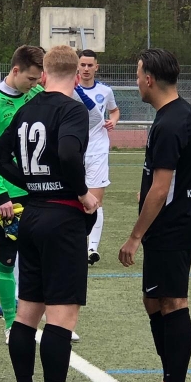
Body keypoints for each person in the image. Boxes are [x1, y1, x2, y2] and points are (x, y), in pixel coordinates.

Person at [0, 44, 102, 382]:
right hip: (62, 219)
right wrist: (81, 193)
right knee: (61, 316)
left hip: (33, 214)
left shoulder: (26, 108)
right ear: (77, 75)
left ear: (43, 75)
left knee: (26, 313)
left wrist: (32, 184)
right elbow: (69, 154)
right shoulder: (73, 109)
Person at [118, 48, 191, 382]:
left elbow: (161, 188)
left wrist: (134, 236)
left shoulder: (170, 122)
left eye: (138, 74)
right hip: (172, 222)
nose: (137, 81)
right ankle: (170, 381)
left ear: (150, 79)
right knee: (153, 300)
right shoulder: (177, 113)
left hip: (171, 225)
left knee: (172, 301)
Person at [0, 46, 44, 343]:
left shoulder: (37, 95)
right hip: (10, 195)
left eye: (38, 79)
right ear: (16, 70)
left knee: (41, 257)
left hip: (40, 191)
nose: (34, 84)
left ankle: (47, 320)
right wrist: (1, 195)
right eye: (30, 79)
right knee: (7, 259)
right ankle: (11, 324)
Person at [76, 50, 119, 264]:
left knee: (95, 201)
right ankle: (75, 243)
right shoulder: (69, 89)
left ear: (96, 67)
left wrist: (113, 121)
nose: (86, 69)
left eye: (89, 65)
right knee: (74, 198)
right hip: (74, 151)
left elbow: (114, 111)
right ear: (77, 66)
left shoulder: (105, 91)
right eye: (82, 64)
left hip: (98, 151)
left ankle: (92, 249)